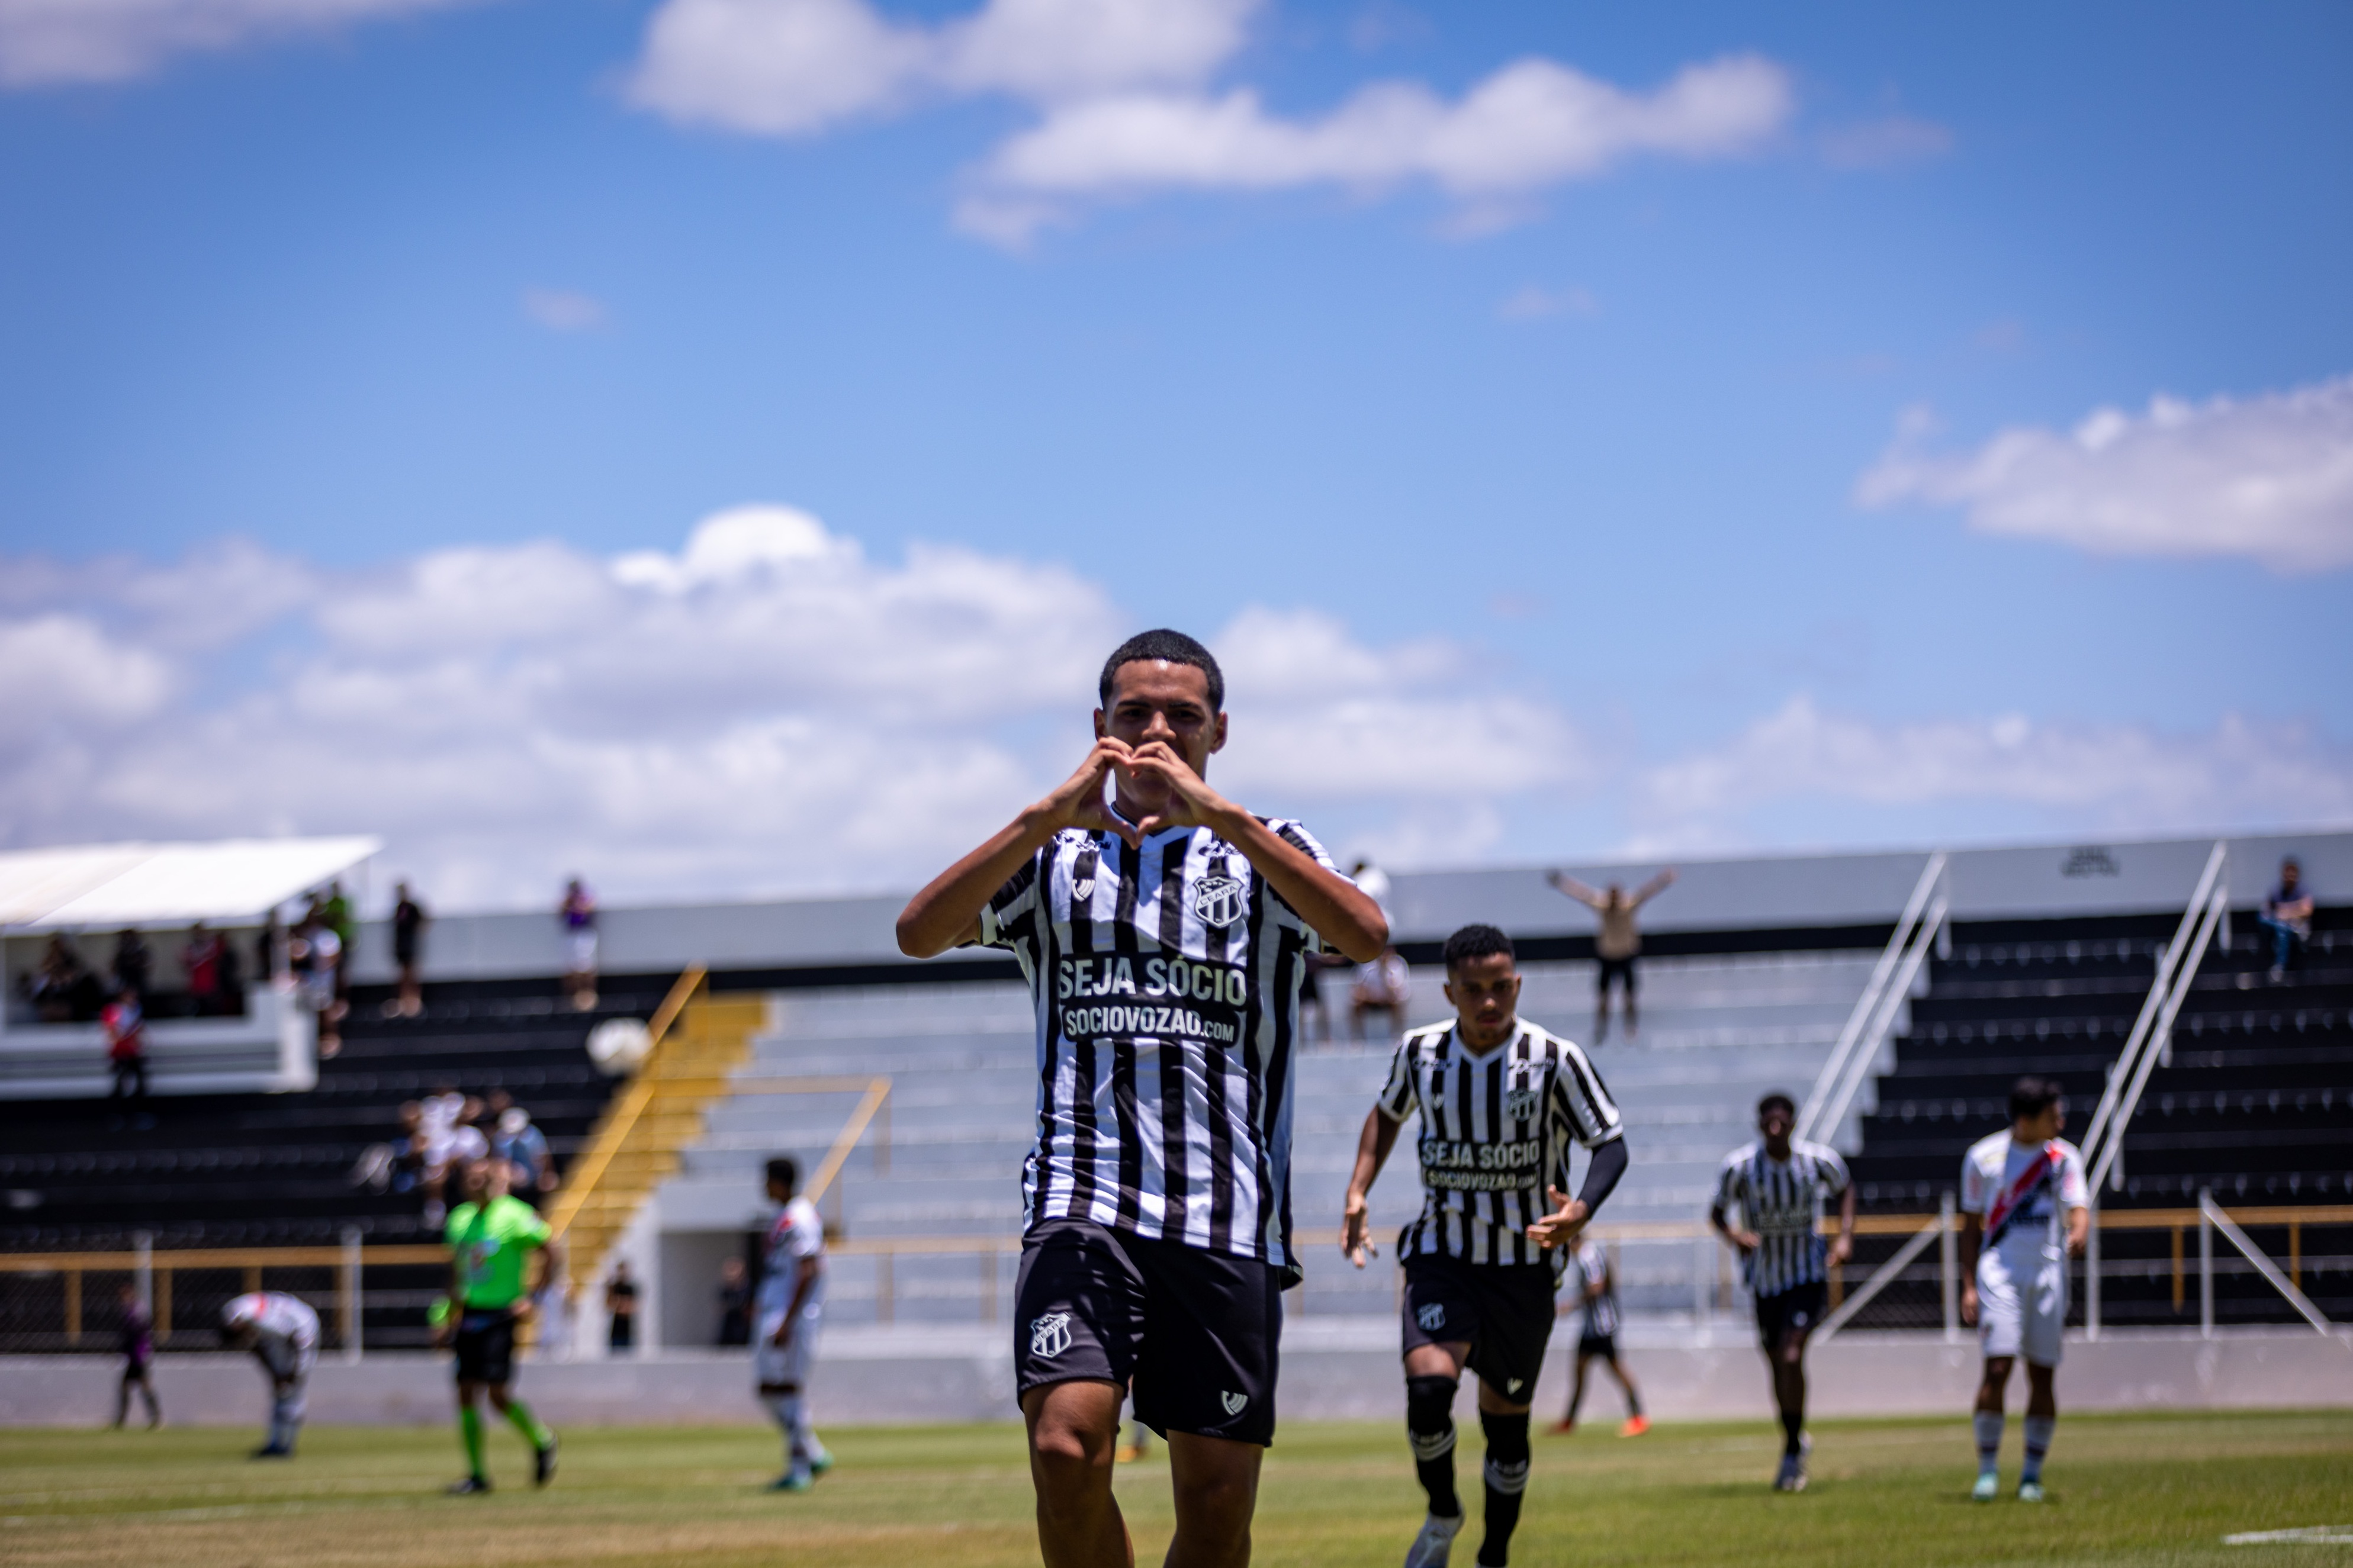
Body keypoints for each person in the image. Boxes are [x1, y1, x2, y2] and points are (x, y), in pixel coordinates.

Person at [896, 628, 1387, 1568]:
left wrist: (1222, 816)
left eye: (1182, 717)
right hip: (1080, 1207)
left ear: (1219, 731)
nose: (1157, 731)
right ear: (1099, 726)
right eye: (1134, 714)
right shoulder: (1054, 858)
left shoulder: (1267, 849)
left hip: (1225, 1217)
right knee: (1064, 1444)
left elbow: (1364, 935)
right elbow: (919, 931)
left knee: (1213, 1511)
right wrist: (1043, 813)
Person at [1343, 922, 1630, 1568]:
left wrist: (1580, 1209)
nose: (1489, 1003)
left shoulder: (1555, 1059)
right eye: (1473, 991)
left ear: (1517, 983)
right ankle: (1442, 1515)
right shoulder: (1419, 1054)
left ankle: (1493, 1554)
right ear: (1449, 993)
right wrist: (1358, 1188)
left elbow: (1609, 1143)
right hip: (1441, 1254)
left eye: (1501, 987)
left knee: (1505, 1427)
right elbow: (1387, 1113)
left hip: (1523, 1268)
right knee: (1426, 1392)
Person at [1708, 1091, 1855, 1493]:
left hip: (1806, 1274)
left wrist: (1844, 1237)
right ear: (1760, 1125)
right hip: (1764, 1279)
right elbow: (1717, 1212)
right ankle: (1793, 1435)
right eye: (1768, 1122)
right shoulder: (1740, 1167)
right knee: (1776, 1361)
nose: (1776, 1129)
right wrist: (1736, 1236)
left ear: (1793, 1123)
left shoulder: (1816, 1161)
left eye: (1782, 1122)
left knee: (1792, 1354)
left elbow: (1844, 1188)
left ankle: (1791, 1449)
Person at [1960, 1076, 2090, 1503]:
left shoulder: (2063, 1157)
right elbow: (1971, 1225)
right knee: (1997, 1368)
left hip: (2047, 1275)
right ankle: (1987, 1469)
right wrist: (1968, 1285)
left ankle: (2031, 1473)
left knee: (2042, 1372)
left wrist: (2078, 1232)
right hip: (2000, 1273)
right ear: (2029, 1119)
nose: (2062, 1119)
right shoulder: (1984, 1157)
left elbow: (2078, 1208)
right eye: (2054, 1114)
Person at [435, 1154, 561, 1493]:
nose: (476, 1185)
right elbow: (457, 1271)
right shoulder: (460, 1220)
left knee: (498, 1395)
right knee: (464, 1392)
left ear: (493, 1181)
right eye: (470, 1180)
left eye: (481, 1179)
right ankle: (477, 1475)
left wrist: (533, 1298)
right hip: (470, 1314)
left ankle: (542, 1439)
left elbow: (551, 1249)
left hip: (502, 1314)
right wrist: (446, 1315)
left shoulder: (515, 1216)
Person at [753, 1157, 832, 1489]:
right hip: (776, 1313)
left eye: (767, 1180)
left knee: (788, 1389)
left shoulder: (800, 1217)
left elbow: (810, 1268)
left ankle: (800, 1468)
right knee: (770, 1389)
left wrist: (788, 1319)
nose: (763, 1187)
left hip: (792, 1318)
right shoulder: (783, 1217)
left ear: (780, 1181)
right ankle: (812, 1453)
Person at [1545, 867, 1677, 1044]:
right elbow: (1580, 893)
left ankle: (1631, 1029)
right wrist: (1561, 882)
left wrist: (1663, 880)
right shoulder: (1601, 906)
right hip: (1607, 958)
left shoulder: (1629, 905)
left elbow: (1647, 892)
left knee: (1629, 996)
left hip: (1626, 956)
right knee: (1603, 997)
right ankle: (1601, 1030)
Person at [1551, 1238, 1645, 1438]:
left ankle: (1638, 1417)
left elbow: (1597, 1286)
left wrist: (1573, 1305)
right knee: (1579, 1370)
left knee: (1617, 1368)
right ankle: (1569, 1421)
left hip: (1601, 1325)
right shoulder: (1587, 1255)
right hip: (1590, 1328)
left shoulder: (1588, 1255)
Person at [220, 1290, 319, 1458]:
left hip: (303, 1327)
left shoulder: (263, 1322)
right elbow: (255, 1349)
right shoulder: (233, 1313)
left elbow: (296, 1339)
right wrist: (275, 1375)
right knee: (280, 1391)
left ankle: (287, 1445)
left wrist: (291, 1375)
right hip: (283, 1335)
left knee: (293, 1391)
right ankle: (275, 1444)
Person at [113, 1282, 161, 1429]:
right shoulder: (130, 1311)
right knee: (127, 1386)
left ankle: (155, 1417)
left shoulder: (136, 1312)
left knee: (142, 1385)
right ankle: (124, 1418)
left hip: (139, 1355)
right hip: (135, 1355)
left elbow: (141, 1331)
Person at [2260, 858, 2315, 981]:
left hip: (2297, 930)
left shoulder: (2302, 890)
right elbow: (2266, 912)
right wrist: (2293, 909)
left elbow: (2307, 910)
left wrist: (2286, 912)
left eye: (2293, 872)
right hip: (2278, 929)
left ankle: (2280, 966)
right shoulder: (2277, 892)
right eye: (2287, 872)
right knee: (2274, 925)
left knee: (2282, 930)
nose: (2290, 875)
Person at [492, 1103, 553, 1206]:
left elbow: (544, 1156)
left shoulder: (534, 1135)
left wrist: (546, 1176)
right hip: (512, 1183)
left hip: (535, 1180)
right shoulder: (500, 1139)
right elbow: (500, 1162)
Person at [1351, 945, 1412, 1042]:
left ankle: (1396, 1036)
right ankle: (1358, 1038)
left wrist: (1386, 976)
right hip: (1370, 1001)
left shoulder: (1397, 967)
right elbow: (1358, 990)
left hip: (1389, 1002)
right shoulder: (1367, 966)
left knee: (1398, 1005)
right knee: (1356, 1005)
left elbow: (1400, 993)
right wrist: (1371, 996)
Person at [389, 883, 429, 1018]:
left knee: (412, 974)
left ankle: (414, 1000)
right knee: (402, 975)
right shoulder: (398, 908)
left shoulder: (412, 907)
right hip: (401, 945)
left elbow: (423, 920)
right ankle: (403, 1000)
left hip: (411, 945)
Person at [560, 879, 598, 1012]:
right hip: (571, 933)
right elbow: (561, 911)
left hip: (584, 933)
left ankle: (588, 994)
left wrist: (578, 905)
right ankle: (574, 997)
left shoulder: (585, 897)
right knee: (572, 967)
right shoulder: (568, 899)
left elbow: (590, 907)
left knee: (586, 966)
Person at [103, 985, 148, 1098]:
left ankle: (138, 1106)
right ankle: (118, 1110)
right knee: (120, 1080)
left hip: (132, 1051)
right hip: (119, 1050)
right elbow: (113, 1030)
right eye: (129, 995)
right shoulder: (114, 1010)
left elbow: (140, 1029)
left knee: (139, 1077)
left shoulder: (136, 1010)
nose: (132, 998)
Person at [182, 923, 226, 1018]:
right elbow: (186, 964)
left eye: (201, 932)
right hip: (197, 987)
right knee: (199, 1013)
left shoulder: (212, 947)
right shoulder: (191, 949)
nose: (199, 934)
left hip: (210, 985)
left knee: (212, 1011)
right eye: (196, 932)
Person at [716, 1256, 753, 1347]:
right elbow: (721, 1307)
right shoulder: (726, 1289)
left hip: (742, 1326)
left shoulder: (747, 1287)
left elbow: (749, 1307)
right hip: (729, 1326)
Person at [605, 1262, 639, 1354]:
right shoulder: (614, 1287)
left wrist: (619, 1303)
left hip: (627, 1330)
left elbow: (633, 1308)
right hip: (616, 1330)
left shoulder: (630, 1288)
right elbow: (609, 1305)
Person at [111, 929, 152, 1004]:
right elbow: (114, 969)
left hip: (139, 987)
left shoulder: (141, 953)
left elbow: (148, 967)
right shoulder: (121, 955)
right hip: (124, 984)